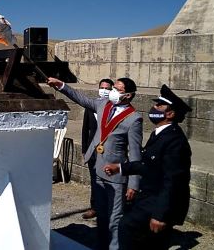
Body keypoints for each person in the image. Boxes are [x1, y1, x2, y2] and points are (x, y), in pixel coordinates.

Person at [47, 77, 143, 250]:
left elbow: (135, 153)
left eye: (118, 90)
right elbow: (81, 98)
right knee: (102, 218)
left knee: (115, 219)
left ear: (128, 95)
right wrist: (61, 85)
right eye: (113, 87)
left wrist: (134, 184)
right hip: (99, 170)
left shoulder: (133, 118)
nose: (113, 91)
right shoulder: (104, 105)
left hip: (116, 175)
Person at [103, 84, 192, 250]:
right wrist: (121, 168)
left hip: (159, 201)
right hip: (149, 197)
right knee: (146, 241)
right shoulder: (159, 134)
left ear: (170, 114)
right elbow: (147, 164)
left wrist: (160, 215)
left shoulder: (175, 142)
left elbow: (173, 181)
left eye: (159, 105)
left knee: (127, 227)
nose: (154, 107)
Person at [81, 78, 114, 220]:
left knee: (107, 179)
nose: (104, 91)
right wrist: (84, 149)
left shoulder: (114, 107)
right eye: (102, 87)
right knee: (94, 179)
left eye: (107, 88)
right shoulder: (90, 106)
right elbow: (85, 129)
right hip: (92, 150)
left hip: (107, 150)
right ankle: (94, 206)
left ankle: (109, 206)